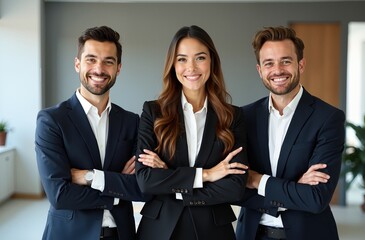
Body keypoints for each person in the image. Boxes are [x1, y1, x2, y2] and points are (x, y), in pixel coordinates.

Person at [134, 25, 249, 240]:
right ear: (172, 64)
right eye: (182, 59)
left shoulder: (233, 116)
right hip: (160, 229)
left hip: (213, 230)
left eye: (200, 58)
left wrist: (170, 177)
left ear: (212, 62)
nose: (191, 67)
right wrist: (207, 175)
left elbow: (234, 188)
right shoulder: (153, 112)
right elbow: (146, 181)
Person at [35, 26, 145, 240]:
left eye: (108, 61)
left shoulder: (132, 121)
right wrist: (117, 191)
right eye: (91, 59)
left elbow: (141, 189)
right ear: (77, 64)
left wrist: (89, 177)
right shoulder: (51, 120)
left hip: (121, 234)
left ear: (118, 68)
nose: (99, 69)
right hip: (69, 234)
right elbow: (60, 195)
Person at [235, 26, 345, 240]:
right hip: (251, 234)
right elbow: (235, 189)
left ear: (300, 64)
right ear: (260, 70)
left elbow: (316, 198)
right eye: (269, 63)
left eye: (286, 61)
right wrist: (295, 189)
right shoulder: (243, 117)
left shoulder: (328, 118)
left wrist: (258, 181)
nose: (278, 70)